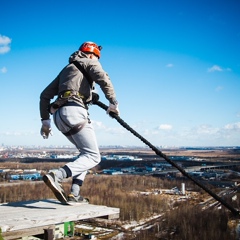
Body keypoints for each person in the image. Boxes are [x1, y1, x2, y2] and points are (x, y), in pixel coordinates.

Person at [39, 41, 120, 203]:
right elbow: (103, 78)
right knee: (93, 157)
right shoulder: (90, 62)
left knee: (85, 155)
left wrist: (45, 121)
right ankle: (57, 175)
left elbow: (44, 95)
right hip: (75, 112)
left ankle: (74, 193)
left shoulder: (67, 69)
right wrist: (113, 103)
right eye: (97, 59)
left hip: (58, 115)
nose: (97, 62)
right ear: (92, 55)